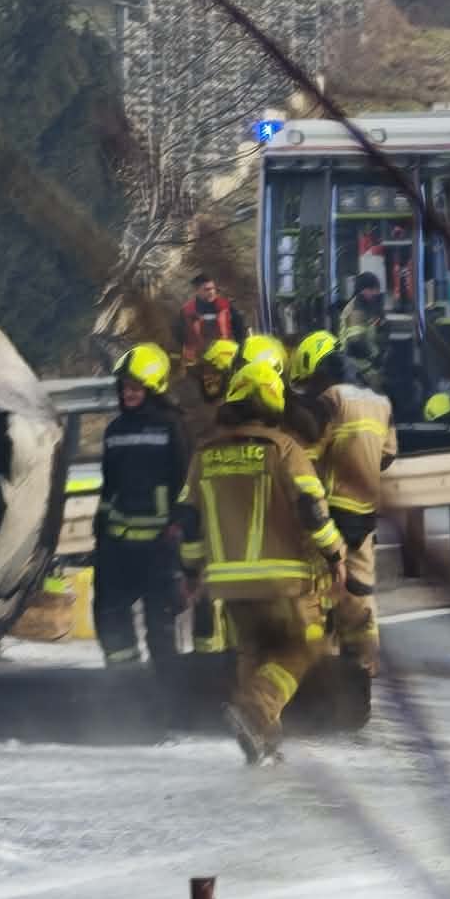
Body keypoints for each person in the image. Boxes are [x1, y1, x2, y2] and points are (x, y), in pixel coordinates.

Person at [177, 341, 346, 764]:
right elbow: (311, 507)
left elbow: (189, 519)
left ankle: (263, 741)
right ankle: (256, 711)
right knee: (301, 649)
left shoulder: (204, 454)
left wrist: (190, 571)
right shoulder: (283, 449)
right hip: (281, 581)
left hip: (227, 586)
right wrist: (335, 554)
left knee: (253, 652)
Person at [295, 326, 396, 670]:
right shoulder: (380, 402)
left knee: (320, 591)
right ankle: (365, 665)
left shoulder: (330, 400)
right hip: (365, 511)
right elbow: (389, 453)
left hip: (332, 509)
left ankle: (321, 668)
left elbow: (305, 457)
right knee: (362, 590)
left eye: (308, 381)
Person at [89, 343, 188, 676]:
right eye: (124, 387)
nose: (128, 393)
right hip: (118, 545)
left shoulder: (172, 426)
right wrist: (100, 529)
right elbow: (109, 485)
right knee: (109, 612)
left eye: (135, 387)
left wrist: (178, 526)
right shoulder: (114, 430)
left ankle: (168, 694)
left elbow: (184, 480)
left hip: (158, 546)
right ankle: (124, 685)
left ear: (153, 387)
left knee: (159, 623)